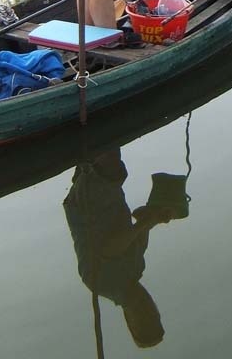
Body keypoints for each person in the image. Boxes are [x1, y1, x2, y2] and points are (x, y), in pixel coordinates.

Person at [63, 149, 173, 349]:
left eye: (143, 316)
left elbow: (110, 248)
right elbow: (140, 225)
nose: (147, 306)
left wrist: (144, 224)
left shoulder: (102, 285)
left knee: (110, 158)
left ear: (129, 319)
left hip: (89, 204)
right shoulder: (137, 269)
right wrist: (157, 216)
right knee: (110, 162)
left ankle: (94, 143)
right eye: (153, 312)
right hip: (108, 193)